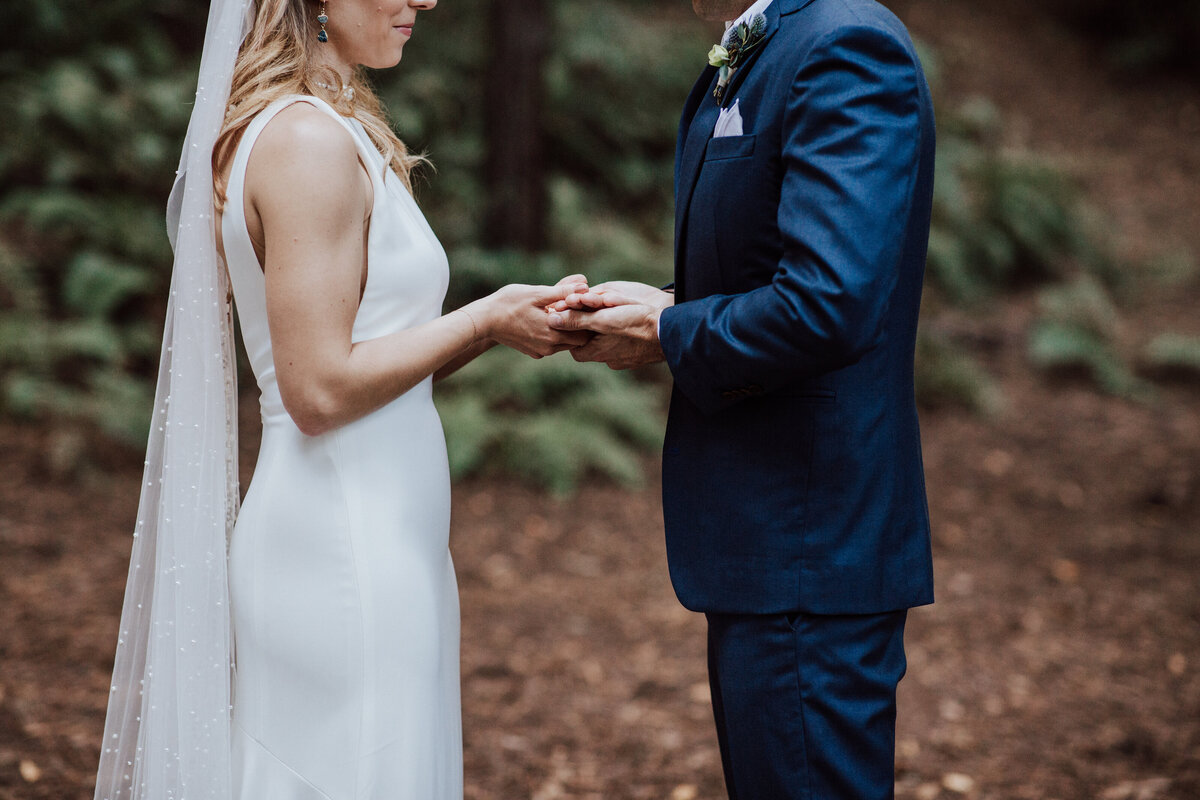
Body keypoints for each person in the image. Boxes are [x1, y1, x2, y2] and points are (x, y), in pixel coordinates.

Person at [93, 1, 588, 798]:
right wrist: (484, 316)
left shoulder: (330, 126)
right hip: (340, 546)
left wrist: (494, 327)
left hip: (384, 533)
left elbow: (371, 364)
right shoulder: (303, 143)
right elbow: (319, 389)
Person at [549, 0, 937, 796]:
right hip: (772, 541)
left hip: (810, 536)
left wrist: (671, 332)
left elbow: (829, 302)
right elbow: (771, 268)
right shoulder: (773, 42)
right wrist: (660, 310)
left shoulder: (846, 47)